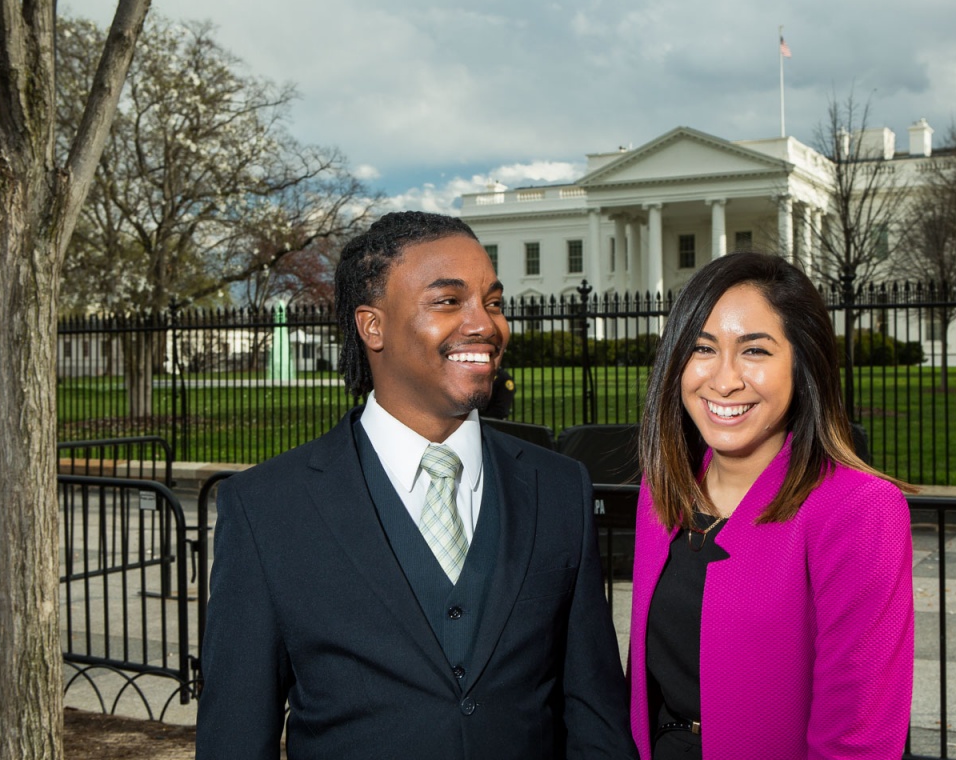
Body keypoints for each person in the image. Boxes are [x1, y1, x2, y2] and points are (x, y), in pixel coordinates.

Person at [197, 211, 634, 759]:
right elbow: (235, 737)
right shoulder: (266, 509)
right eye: (449, 301)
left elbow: (595, 712)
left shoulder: (559, 486)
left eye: (493, 302)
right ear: (372, 326)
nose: (485, 324)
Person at [629, 252, 914, 759]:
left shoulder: (859, 510)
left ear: (802, 363)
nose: (724, 379)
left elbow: (859, 737)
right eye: (702, 348)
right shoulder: (662, 493)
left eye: (755, 351)